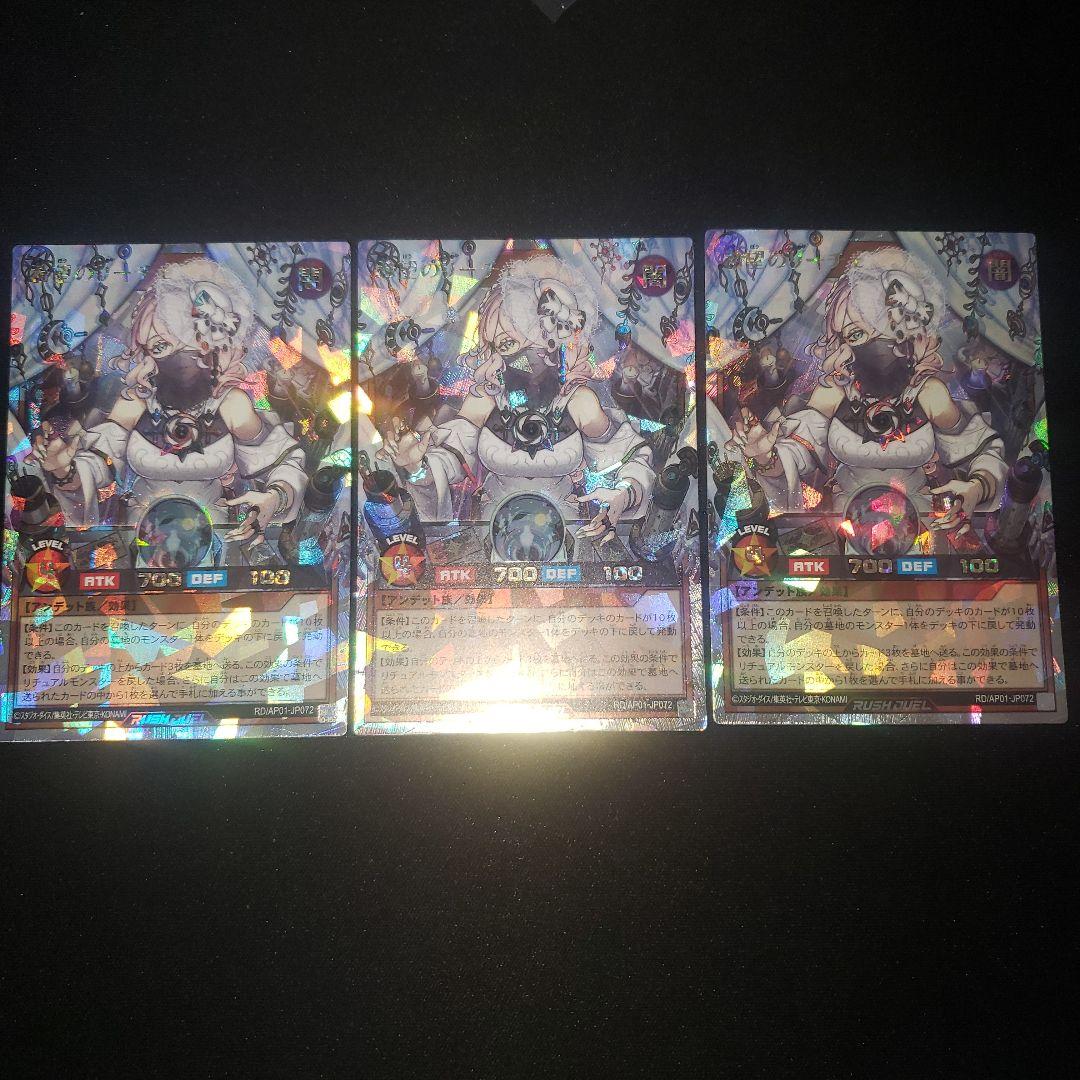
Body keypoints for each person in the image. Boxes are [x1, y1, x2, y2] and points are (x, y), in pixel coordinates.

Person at [725, 248, 1007, 534]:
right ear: (843, 341)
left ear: (909, 328)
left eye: (884, 328)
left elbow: (983, 452)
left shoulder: (928, 393)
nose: (875, 344)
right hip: (846, 527)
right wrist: (765, 458)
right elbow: (795, 456)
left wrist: (977, 487)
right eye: (857, 333)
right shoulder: (834, 392)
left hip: (919, 529)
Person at [30, 258, 307, 547]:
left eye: (189, 344)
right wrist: (64, 471)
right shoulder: (136, 401)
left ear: (213, 345)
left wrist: (276, 496)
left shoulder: (230, 404)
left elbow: (283, 462)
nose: (179, 359)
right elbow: (97, 466)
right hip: (142, 534)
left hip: (212, 537)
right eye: (161, 346)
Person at [379, 254, 655, 543]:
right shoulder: (487, 399)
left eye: (538, 344)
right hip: (492, 532)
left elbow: (631, 457)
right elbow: (448, 460)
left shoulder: (578, 402)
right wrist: (417, 468)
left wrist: (625, 493)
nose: (526, 359)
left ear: (560, 345)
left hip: (565, 534)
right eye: (508, 344)